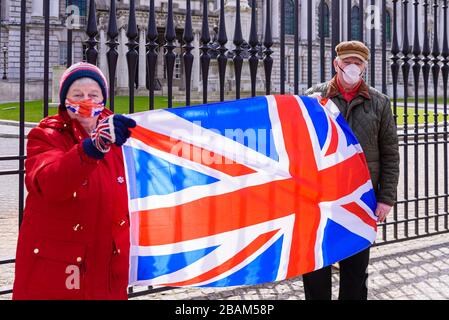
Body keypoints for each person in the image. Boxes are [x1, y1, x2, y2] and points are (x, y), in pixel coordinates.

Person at [12, 62, 136, 300]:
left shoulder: (120, 136)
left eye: (93, 95)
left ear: (103, 100)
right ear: (64, 100)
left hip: (107, 265)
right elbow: (50, 183)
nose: (86, 101)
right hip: (59, 268)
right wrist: (92, 148)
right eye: (77, 95)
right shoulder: (45, 135)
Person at [303, 41, 400, 300]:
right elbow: (301, 149)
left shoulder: (379, 103)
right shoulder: (314, 97)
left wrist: (386, 198)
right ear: (337, 64)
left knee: (356, 274)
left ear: (365, 67)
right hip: (321, 200)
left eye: (358, 63)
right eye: (348, 62)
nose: (353, 67)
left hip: (361, 199)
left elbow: (390, 154)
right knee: (316, 268)